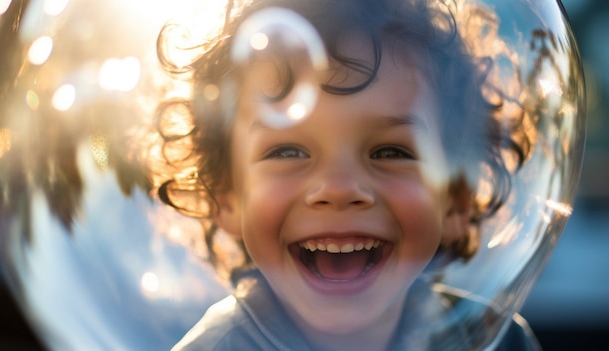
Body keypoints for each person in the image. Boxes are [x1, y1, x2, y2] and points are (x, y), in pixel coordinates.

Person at [150, 0, 540, 349]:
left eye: (390, 152)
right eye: (287, 151)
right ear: (228, 197)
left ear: (455, 200)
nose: (338, 188)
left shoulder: (498, 341)